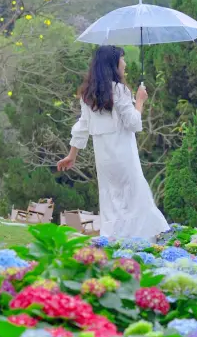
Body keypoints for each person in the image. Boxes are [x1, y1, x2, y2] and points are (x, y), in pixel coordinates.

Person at [57, 45, 169, 241]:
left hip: (105, 158)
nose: (125, 64)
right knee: (136, 197)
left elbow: (82, 126)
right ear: (113, 64)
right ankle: (147, 238)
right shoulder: (119, 90)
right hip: (124, 155)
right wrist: (140, 101)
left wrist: (72, 155)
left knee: (111, 200)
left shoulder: (87, 94)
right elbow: (133, 123)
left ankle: (113, 240)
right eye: (122, 59)